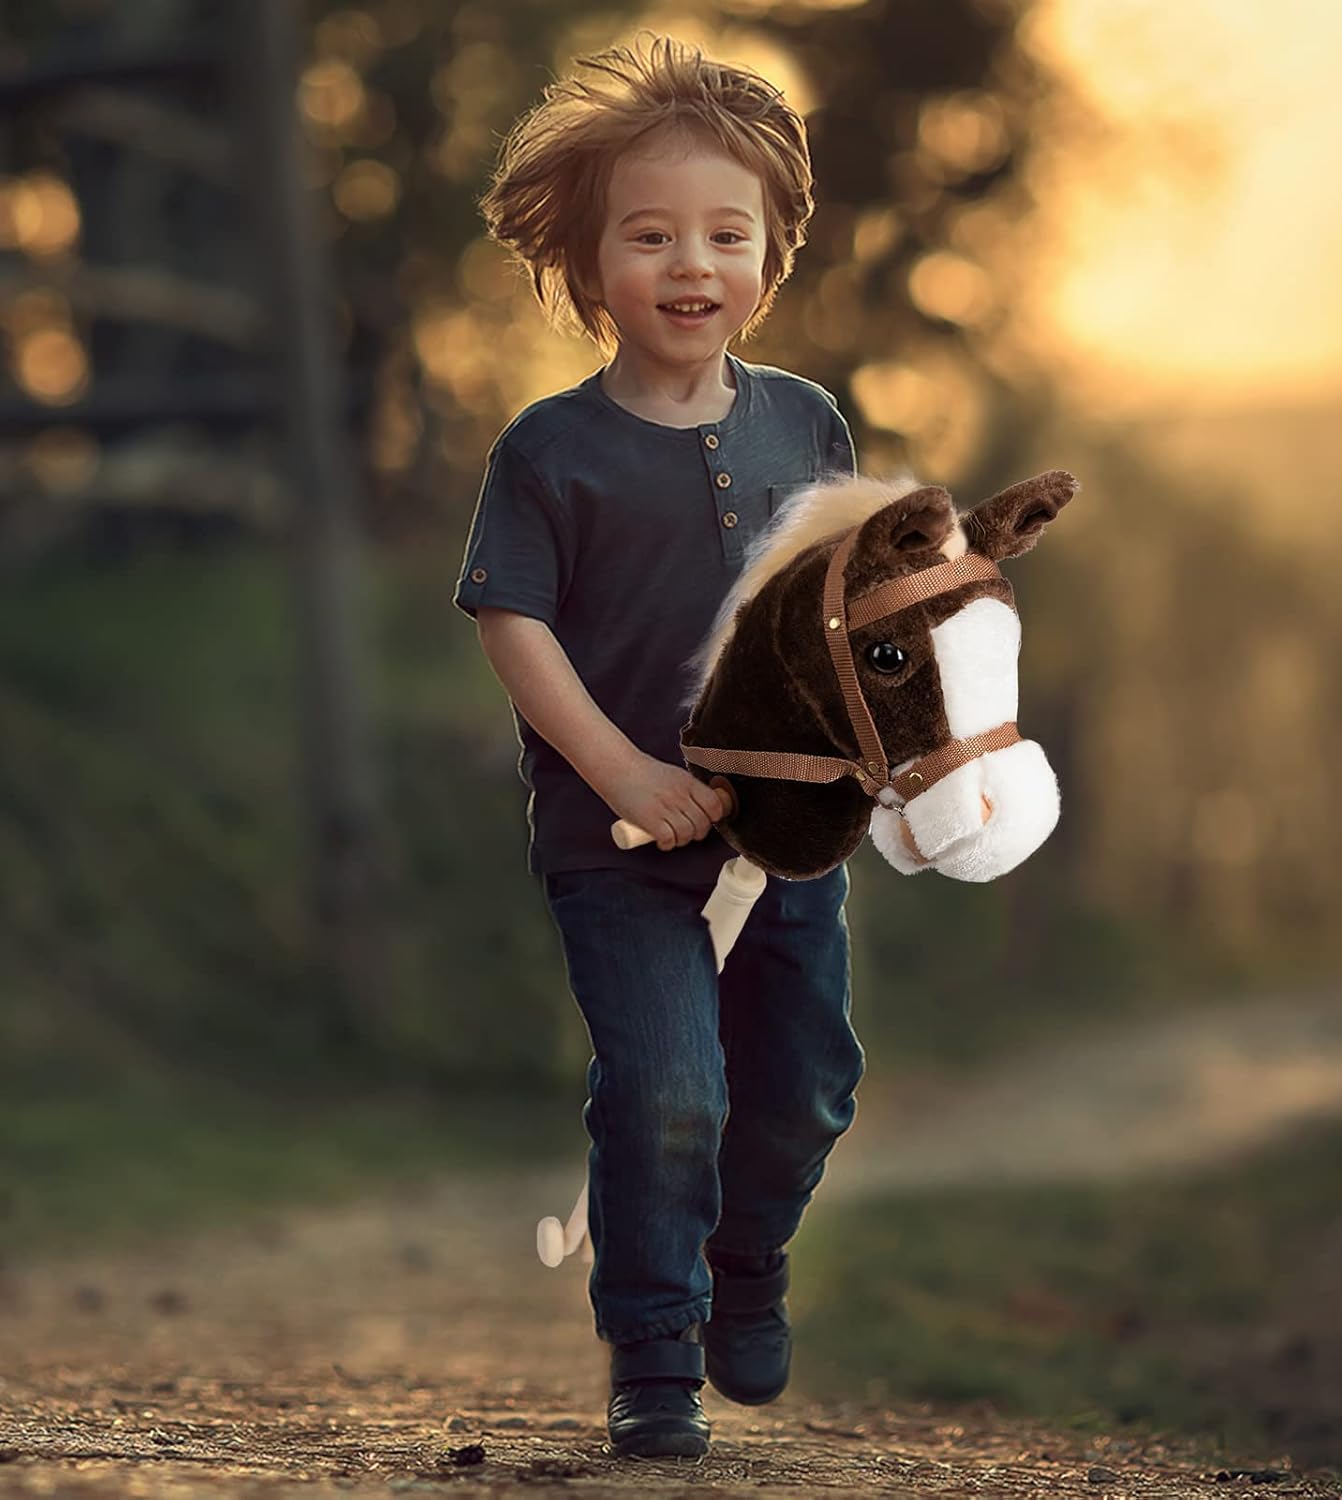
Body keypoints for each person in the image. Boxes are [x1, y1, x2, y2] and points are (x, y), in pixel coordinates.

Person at [453, 33, 865, 1459]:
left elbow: (843, 614)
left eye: (725, 236)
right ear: (588, 262)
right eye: (650, 236)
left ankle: (746, 1262)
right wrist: (624, 772)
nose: (692, 265)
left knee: (804, 1092)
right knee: (667, 1091)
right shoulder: (547, 453)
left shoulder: (808, 424)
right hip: (618, 845)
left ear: (770, 256)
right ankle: (653, 1354)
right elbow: (512, 621)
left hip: (785, 846)